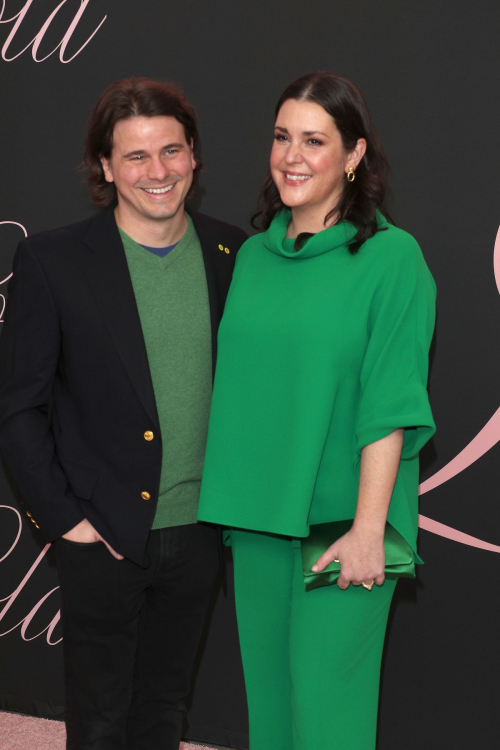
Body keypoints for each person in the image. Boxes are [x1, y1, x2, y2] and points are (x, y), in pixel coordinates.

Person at [0, 77, 247, 750]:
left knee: (164, 711)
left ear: (193, 155)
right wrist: (68, 523)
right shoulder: (52, 262)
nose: (157, 171)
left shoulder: (237, 254)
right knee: (101, 721)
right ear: (105, 167)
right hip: (101, 533)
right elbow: (18, 407)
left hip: (199, 533)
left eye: (171, 150)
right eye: (135, 156)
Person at [197, 71, 436, 749]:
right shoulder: (252, 258)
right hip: (257, 521)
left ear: (354, 154)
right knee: (270, 720)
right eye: (281, 137)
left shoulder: (393, 259)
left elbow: (390, 404)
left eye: (314, 140)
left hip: (343, 527)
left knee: (328, 720)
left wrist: (369, 530)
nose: (291, 156)